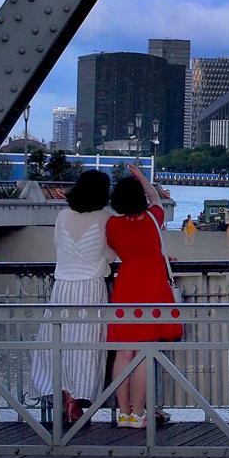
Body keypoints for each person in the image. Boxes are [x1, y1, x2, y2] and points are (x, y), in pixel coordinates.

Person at [31, 170, 116, 424]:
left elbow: (59, 246)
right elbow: (111, 256)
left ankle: (62, 393)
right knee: (87, 349)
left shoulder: (62, 215)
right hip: (91, 288)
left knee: (59, 343)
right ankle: (79, 402)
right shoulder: (105, 218)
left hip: (63, 287)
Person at [106, 164, 182, 429]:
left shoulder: (113, 225)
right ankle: (139, 413)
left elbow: (124, 251)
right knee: (144, 353)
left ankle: (123, 413)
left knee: (124, 352)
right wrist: (142, 178)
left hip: (126, 287)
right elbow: (156, 199)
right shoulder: (153, 218)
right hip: (152, 289)